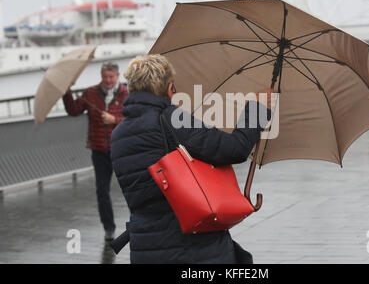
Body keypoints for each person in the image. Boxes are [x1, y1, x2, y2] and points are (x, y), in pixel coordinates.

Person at [110, 54, 274, 264]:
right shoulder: (171, 119)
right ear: (169, 88)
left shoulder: (118, 134)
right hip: (192, 248)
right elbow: (235, 149)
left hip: (145, 246)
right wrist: (258, 109)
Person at [63, 62, 129, 240]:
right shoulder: (90, 93)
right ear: (101, 76)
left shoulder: (127, 94)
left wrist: (114, 119)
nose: (108, 80)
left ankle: (138, 223)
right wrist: (66, 91)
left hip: (122, 149)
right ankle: (109, 228)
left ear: (117, 76)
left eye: (111, 76)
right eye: (105, 76)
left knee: (131, 189)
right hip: (99, 150)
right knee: (102, 190)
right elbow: (73, 110)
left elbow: (135, 118)